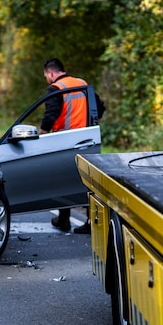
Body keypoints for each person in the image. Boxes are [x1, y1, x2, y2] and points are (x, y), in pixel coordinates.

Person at [39, 58, 105, 234]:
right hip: (87, 140)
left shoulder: (55, 89)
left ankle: (64, 219)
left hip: (65, 140)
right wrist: (93, 124)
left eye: (46, 75)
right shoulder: (82, 83)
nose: (47, 78)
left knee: (62, 179)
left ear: (51, 73)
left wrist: (41, 136)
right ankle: (91, 222)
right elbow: (100, 106)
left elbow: (50, 115)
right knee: (87, 181)